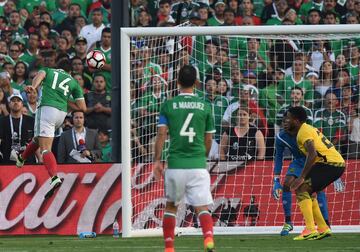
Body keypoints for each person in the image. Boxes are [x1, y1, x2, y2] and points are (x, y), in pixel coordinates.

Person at [153, 65, 215, 252]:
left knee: (171, 207)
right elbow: (209, 137)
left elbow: (162, 134)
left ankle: (169, 248)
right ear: (196, 83)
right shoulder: (205, 106)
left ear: (177, 82)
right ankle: (208, 239)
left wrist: (157, 160)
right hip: (197, 164)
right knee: (202, 207)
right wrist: (201, 157)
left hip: (175, 164)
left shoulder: (168, 105)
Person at [16, 59, 86, 199]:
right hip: (61, 114)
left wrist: (34, 87)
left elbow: (39, 75)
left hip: (47, 108)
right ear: (70, 71)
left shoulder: (49, 70)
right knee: (38, 138)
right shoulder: (74, 82)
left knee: (45, 149)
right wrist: (65, 101)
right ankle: (21, 158)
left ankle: (54, 178)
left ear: (57, 67)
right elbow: (82, 108)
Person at [284, 106, 345, 240]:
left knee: (301, 188)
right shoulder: (306, 129)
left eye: (288, 118)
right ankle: (323, 228)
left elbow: (312, 154)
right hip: (333, 163)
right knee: (308, 192)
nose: (285, 120)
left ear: (296, 120)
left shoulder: (303, 132)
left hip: (330, 163)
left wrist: (302, 176)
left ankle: (310, 229)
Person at [273, 125, 330, 236]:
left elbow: (323, 147)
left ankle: (326, 223)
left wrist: (333, 170)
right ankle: (288, 222)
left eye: (288, 120)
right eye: (284, 120)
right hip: (299, 161)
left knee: (316, 189)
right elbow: (278, 157)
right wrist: (276, 180)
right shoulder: (281, 137)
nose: (285, 123)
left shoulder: (306, 131)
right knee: (287, 184)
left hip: (315, 159)